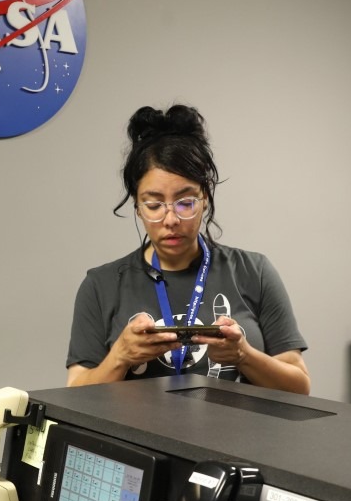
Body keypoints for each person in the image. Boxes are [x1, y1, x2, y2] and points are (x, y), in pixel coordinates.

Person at [66, 105, 309, 394]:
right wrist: (120, 357)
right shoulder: (101, 285)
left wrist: (244, 355)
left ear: (204, 197)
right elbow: (75, 393)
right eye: (154, 204)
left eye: (185, 202)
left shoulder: (253, 271)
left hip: (239, 437)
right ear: (137, 207)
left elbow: (299, 387)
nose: (171, 220)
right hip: (137, 438)